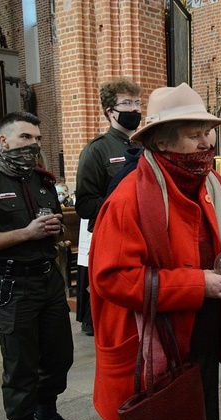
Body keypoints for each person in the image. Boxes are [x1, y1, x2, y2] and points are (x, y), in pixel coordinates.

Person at [90, 83, 221, 420]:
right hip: (148, 359)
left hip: (198, 347)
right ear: (162, 140)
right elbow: (112, 277)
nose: (208, 140)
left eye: (209, 130)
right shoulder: (128, 196)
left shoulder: (209, 183)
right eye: (194, 133)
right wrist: (198, 283)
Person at [0, 111, 83, 420]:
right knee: (20, 364)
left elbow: (52, 226)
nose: (34, 145)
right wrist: (26, 233)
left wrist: (57, 231)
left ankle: (46, 414)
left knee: (58, 356)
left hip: (48, 279)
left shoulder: (42, 182)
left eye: (38, 138)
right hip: (11, 285)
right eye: (26, 138)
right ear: (4, 140)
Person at [75, 77, 143, 336]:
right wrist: (123, 205)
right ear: (110, 111)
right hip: (111, 237)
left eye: (138, 103)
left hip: (140, 235)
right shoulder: (97, 150)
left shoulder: (143, 145)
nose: (135, 109)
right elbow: (84, 204)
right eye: (127, 103)